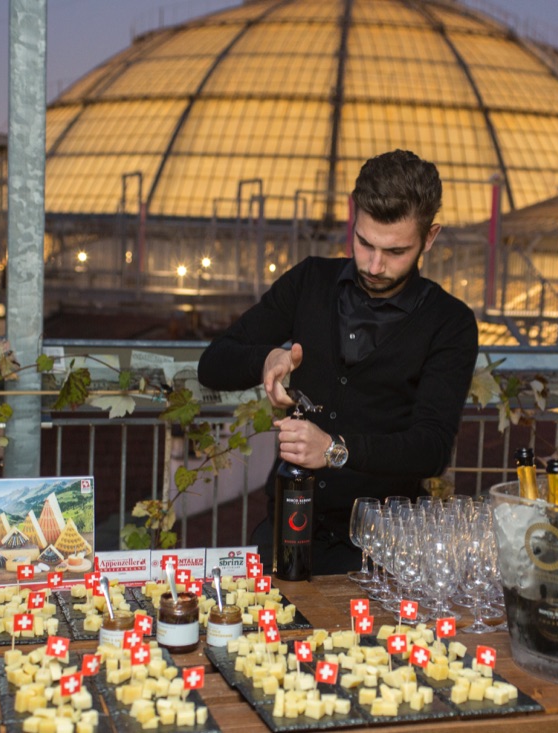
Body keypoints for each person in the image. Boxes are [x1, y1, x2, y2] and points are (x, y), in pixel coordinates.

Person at [197, 149, 479, 574]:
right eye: (365, 242)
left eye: (396, 251)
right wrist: (267, 358)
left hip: (385, 552)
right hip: (287, 532)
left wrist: (334, 450)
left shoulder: (450, 322)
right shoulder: (310, 281)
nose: (374, 264)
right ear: (354, 217)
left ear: (431, 236)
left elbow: (431, 448)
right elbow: (213, 364)